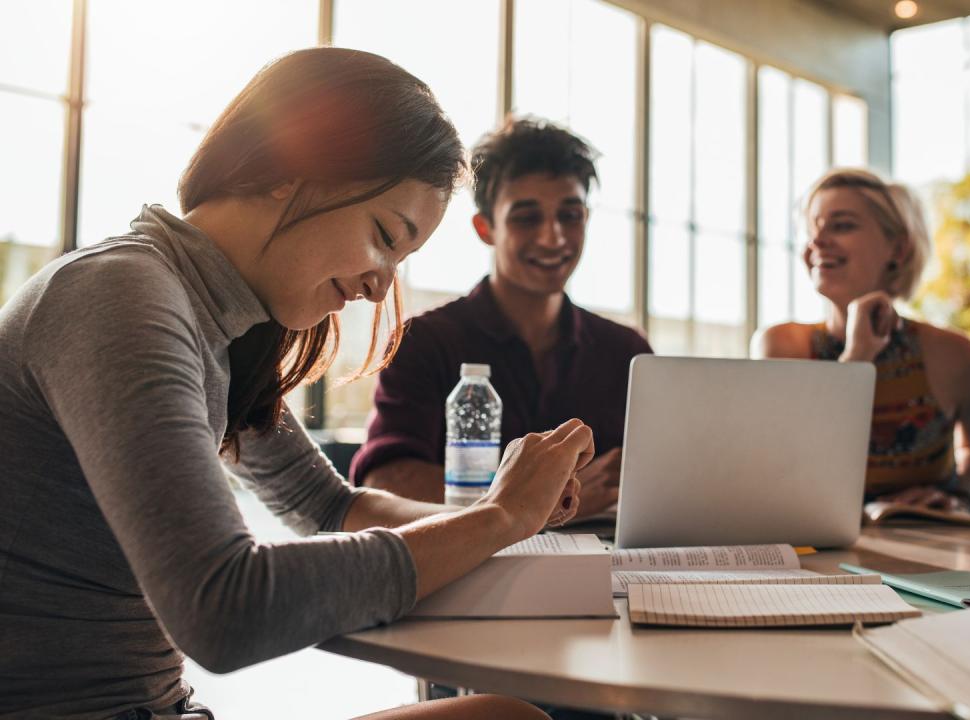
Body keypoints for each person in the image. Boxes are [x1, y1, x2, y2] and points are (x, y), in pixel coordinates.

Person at [0, 48, 574, 720]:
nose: (380, 286)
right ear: (286, 170)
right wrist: (498, 519)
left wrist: (508, 530)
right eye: (385, 235)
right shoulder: (120, 298)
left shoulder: (218, 320)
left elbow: (326, 506)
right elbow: (224, 609)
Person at [350, 118, 652, 516]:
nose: (553, 238)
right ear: (485, 228)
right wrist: (548, 497)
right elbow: (383, 480)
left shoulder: (626, 352)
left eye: (570, 215)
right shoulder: (424, 342)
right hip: (474, 569)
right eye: (527, 218)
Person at [751, 168, 970, 511]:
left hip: (928, 547)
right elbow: (789, 460)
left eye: (842, 225)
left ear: (899, 248)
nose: (817, 242)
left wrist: (960, 496)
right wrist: (857, 357)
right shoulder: (781, 346)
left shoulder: (956, 355)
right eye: (812, 229)